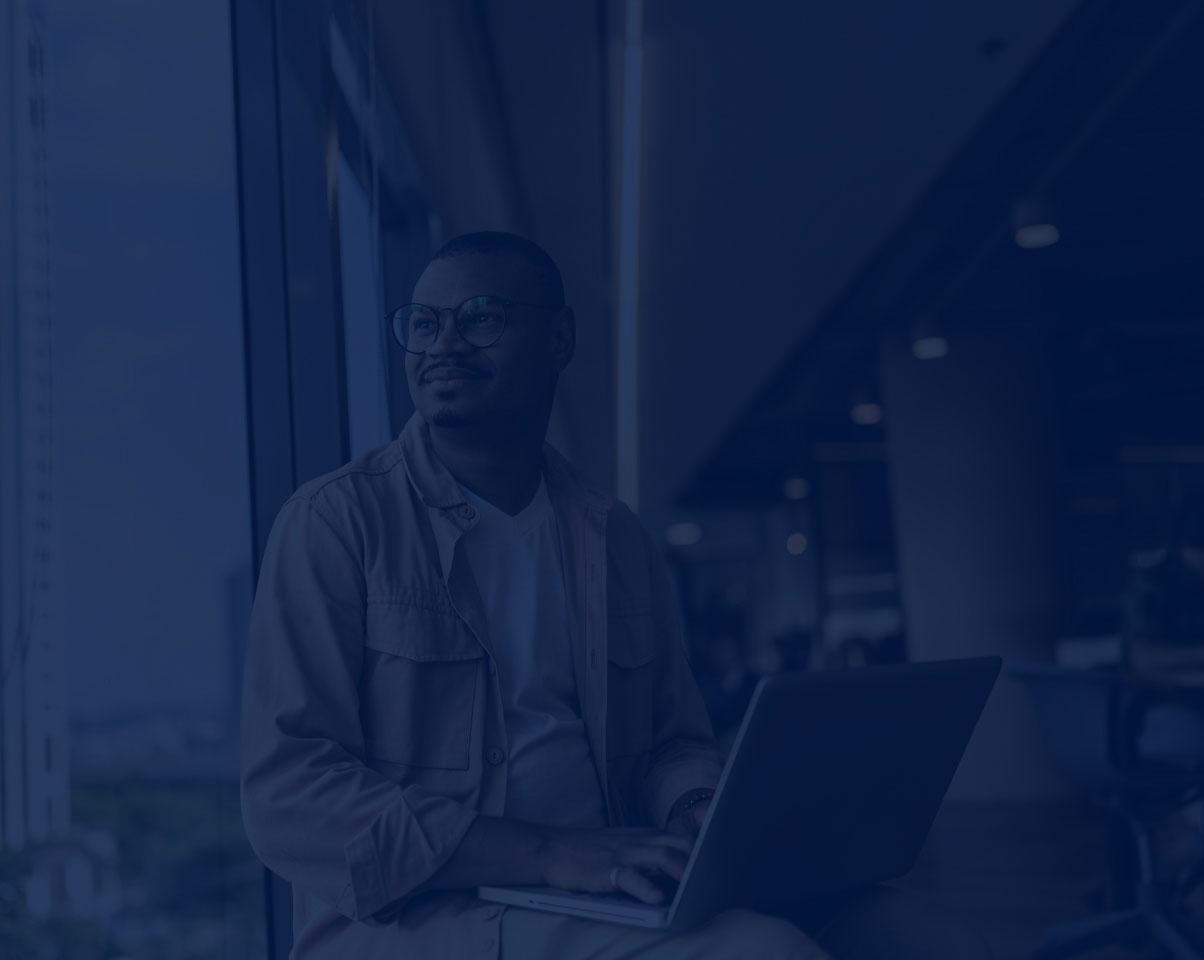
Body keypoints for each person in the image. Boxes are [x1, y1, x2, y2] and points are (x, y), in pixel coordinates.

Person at [241, 232, 988, 958]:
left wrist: (697, 810)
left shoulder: (612, 536)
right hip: (438, 915)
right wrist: (551, 855)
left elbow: (672, 743)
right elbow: (290, 794)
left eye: (481, 318)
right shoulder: (337, 522)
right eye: (425, 324)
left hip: (613, 877)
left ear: (558, 339)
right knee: (761, 952)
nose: (444, 346)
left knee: (919, 935)